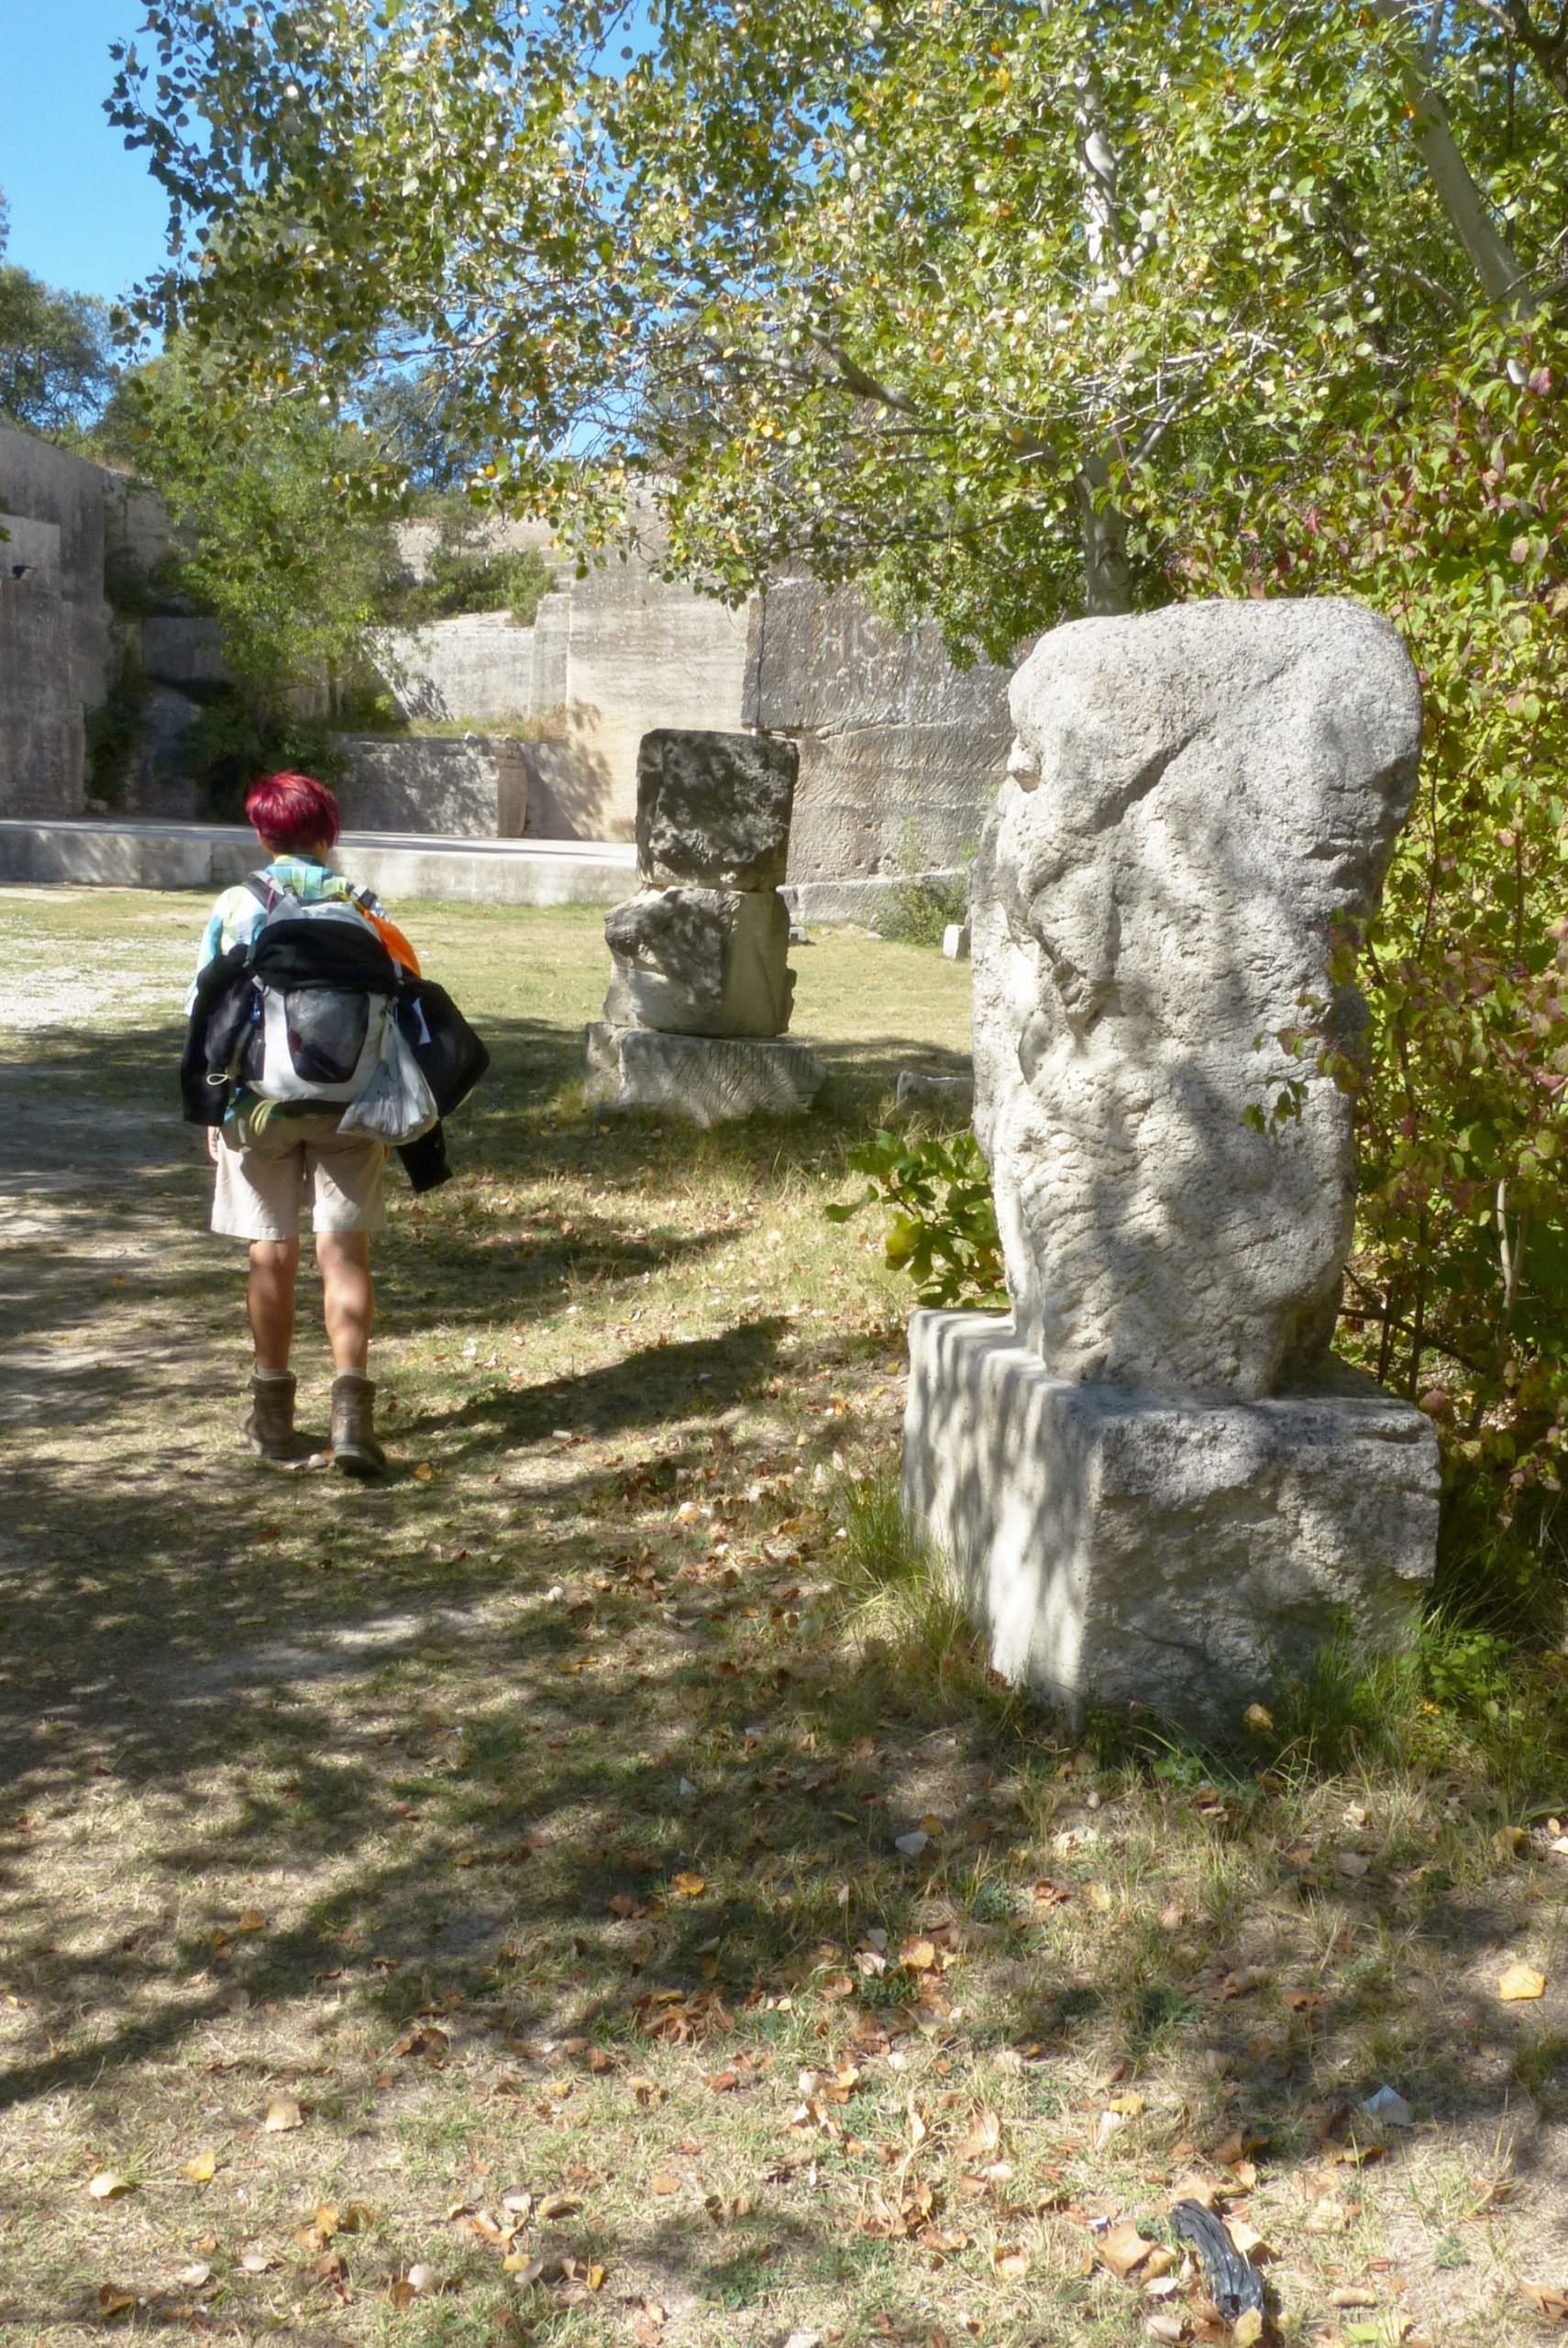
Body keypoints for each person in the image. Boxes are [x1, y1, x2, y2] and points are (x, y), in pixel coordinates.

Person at [191, 770, 399, 1476]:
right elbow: (405, 990)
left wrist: (213, 1104)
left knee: (270, 1251)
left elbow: (205, 1006)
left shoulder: (237, 904)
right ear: (327, 831)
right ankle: (350, 1420)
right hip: (353, 1104)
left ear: (262, 832)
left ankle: (273, 1417)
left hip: (260, 1105)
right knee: (344, 1252)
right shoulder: (364, 909)